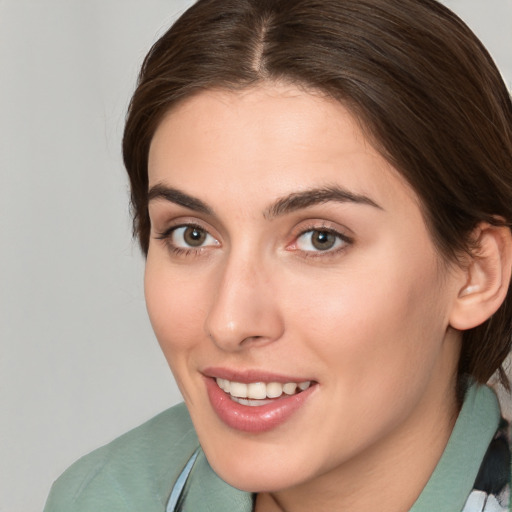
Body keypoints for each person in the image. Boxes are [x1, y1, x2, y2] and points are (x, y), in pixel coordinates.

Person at [44, 0, 512, 510]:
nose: (228, 321)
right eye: (192, 235)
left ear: (476, 272)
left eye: (320, 239)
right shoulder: (102, 496)